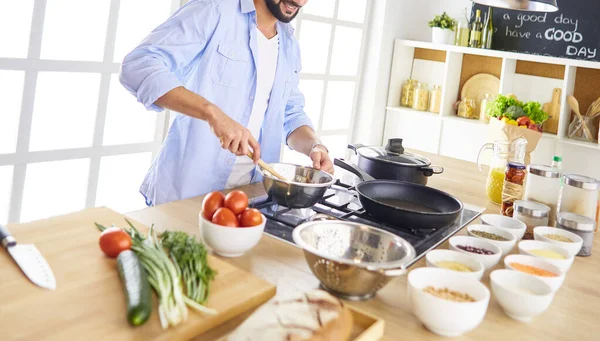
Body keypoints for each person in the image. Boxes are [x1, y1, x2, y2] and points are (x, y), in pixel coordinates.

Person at [120, 0, 334, 206]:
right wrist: (211, 113)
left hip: (252, 200)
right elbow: (139, 65)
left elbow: (290, 113)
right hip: (186, 196)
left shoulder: (290, 45)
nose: (299, 1)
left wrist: (314, 146)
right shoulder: (214, 10)